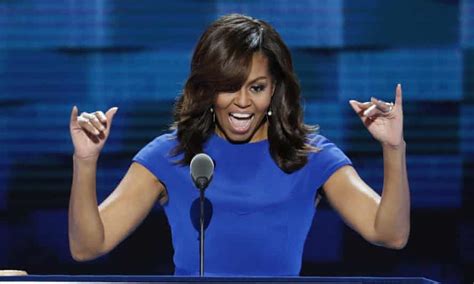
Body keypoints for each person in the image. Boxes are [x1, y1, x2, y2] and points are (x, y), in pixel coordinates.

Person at [68, 14, 410, 276]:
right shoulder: (171, 155)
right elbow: (88, 246)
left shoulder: (310, 156)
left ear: (274, 89)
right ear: (207, 88)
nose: (242, 102)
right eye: (229, 87)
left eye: (257, 88)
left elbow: (389, 233)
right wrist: (85, 160)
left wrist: (393, 148)